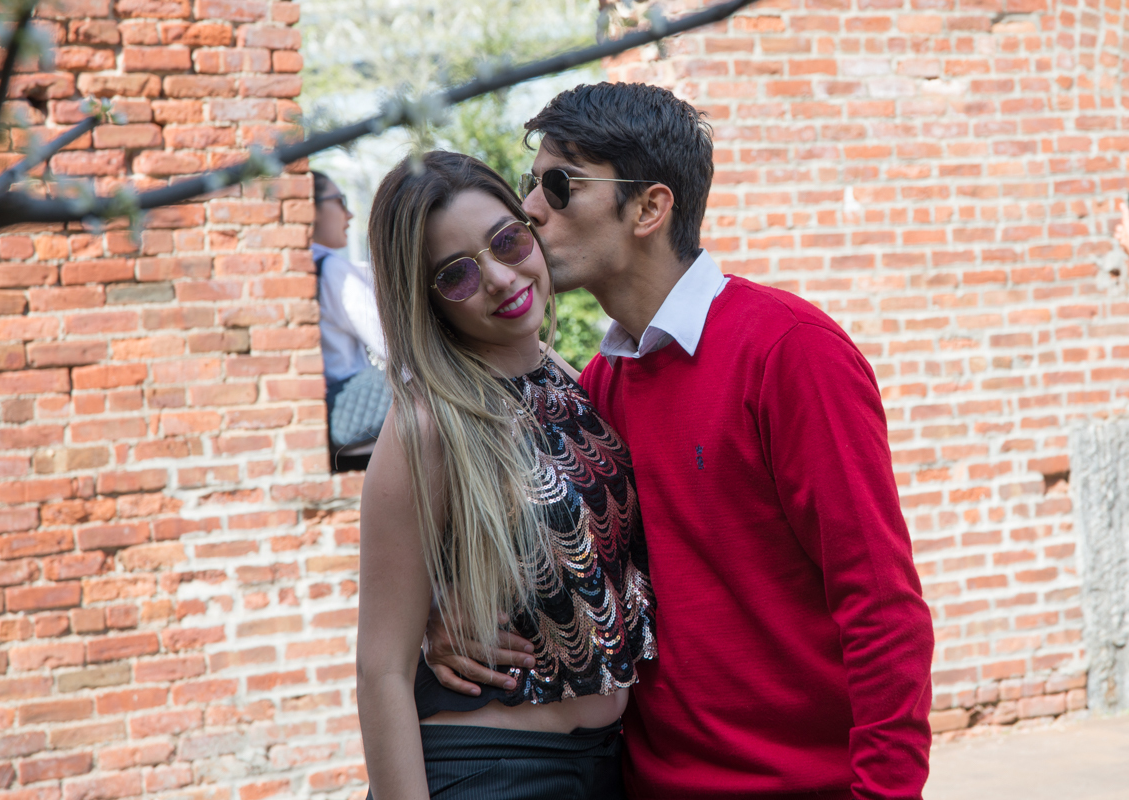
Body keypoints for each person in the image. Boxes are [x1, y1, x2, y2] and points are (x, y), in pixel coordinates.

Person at [425, 83, 936, 799]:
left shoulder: (790, 352)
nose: (530, 209)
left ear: (649, 208)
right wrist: (447, 626)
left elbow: (882, 607)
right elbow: (561, 567)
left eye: (560, 185)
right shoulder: (598, 388)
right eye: (529, 184)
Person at [356, 151, 656, 800]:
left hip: (607, 764)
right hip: (490, 771)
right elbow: (381, 670)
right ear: (426, 300)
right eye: (456, 275)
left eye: (507, 241)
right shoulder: (428, 424)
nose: (497, 277)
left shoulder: (567, 377)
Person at [311, 170, 388, 472]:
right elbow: (391, 343)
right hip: (361, 424)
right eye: (339, 201)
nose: (350, 213)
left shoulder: (303, 269)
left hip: (333, 426)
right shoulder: (331, 268)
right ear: (309, 208)